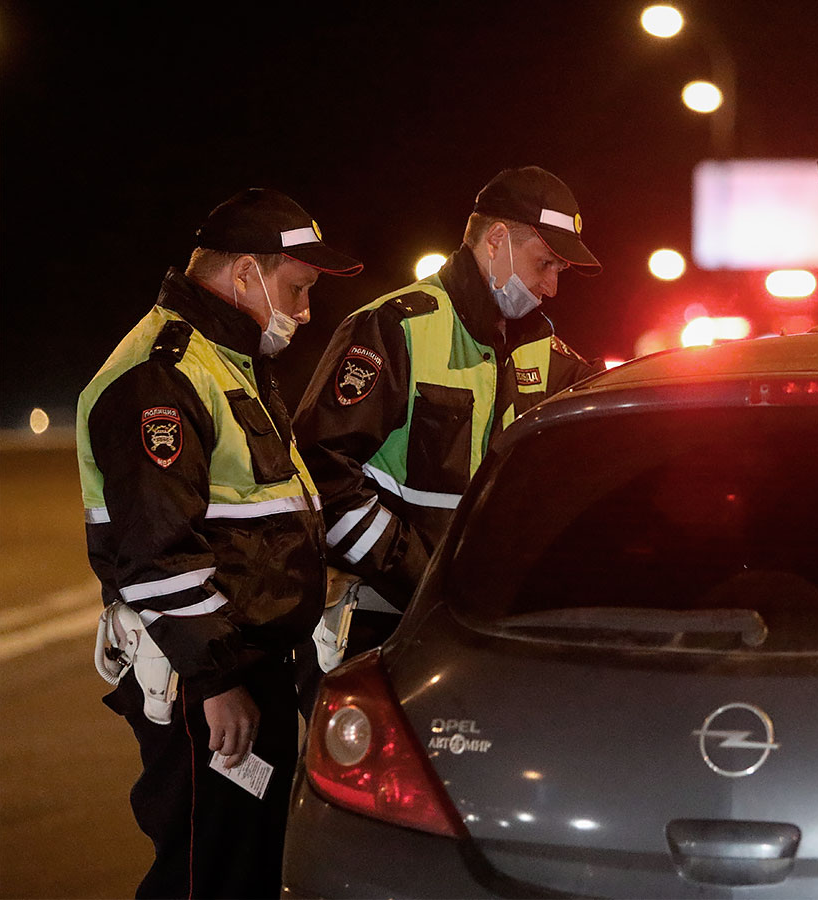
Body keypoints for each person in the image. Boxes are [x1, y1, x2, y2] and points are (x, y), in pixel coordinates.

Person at [76, 188, 362, 899]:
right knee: (207, 874)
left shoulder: (224, 361)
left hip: (245, 662)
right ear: (244, 274)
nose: (303, 311)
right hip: (207, 676)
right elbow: (154, 551)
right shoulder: (162, 374)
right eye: (296, 290)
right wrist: (218, 682)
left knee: (247, 865)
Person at [292, 166, 602, 664]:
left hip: (488, 627)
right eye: (545, 263)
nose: (552, 286)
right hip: (382, 624)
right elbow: (319, 474)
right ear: (497, 240)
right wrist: (421, 577)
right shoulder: (393, 328)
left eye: (559, 271)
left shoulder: (554, 357)